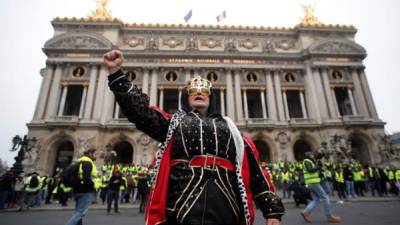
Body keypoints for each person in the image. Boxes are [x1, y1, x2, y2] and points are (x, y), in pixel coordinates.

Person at [103, 50, 285, 225]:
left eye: (204, 91)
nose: (199, 93)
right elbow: (139, 111)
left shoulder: (232, 130)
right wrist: (115, 72)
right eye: (193, 91)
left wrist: (272, 210)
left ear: (211, 98)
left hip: (226, 206)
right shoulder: (174, 123)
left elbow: (256, 174)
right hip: (182, 206)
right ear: (186, 98)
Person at [300, 151, 341, 223]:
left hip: (312, 182)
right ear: (308, 155)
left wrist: (319, 168)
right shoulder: (306, 161)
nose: (313, 155)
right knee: (325, 197)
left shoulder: (310, 161)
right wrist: (318, 167)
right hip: (313, 182)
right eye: (311, 154)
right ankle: (329, 216)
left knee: (316, 199)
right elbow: (310, 170)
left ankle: (306, 212)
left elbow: (314, 170)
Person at [65, 148, 98, 225]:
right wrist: (92, 186)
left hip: (77, 190)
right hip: (85, 191)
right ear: (90, 154)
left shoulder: (78, 162)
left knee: (78, 212)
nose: (96, 156)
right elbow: (87, 178)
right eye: (95, 154)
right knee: (80, 213)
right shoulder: (87, 163)